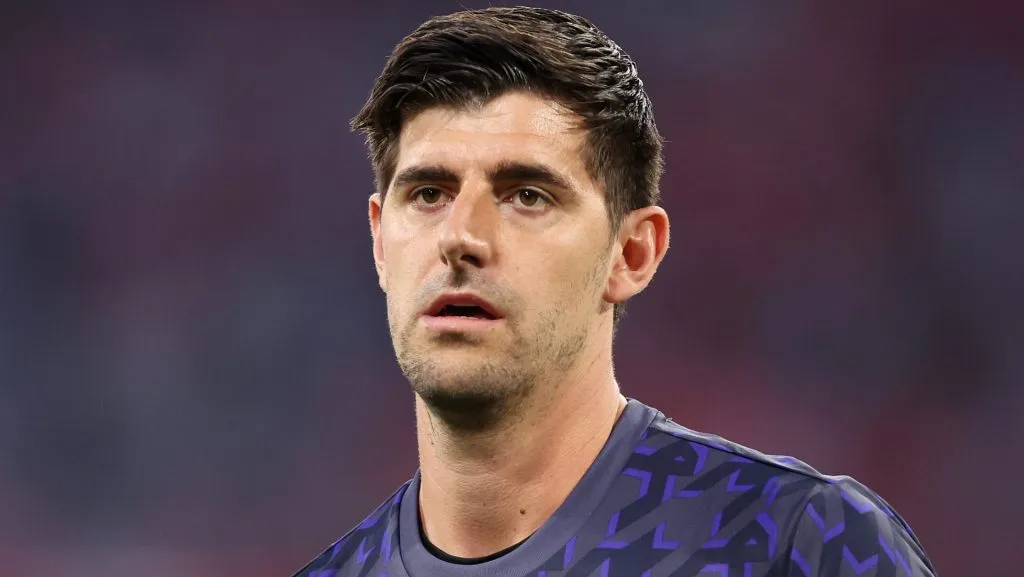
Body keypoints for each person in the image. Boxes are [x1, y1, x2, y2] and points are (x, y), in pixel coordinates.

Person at [293, 6, 935, 577]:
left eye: (527, 195)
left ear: (632, 254)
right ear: (380, 242)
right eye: (428, 193)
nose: (461, 236)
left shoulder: (797, 543)